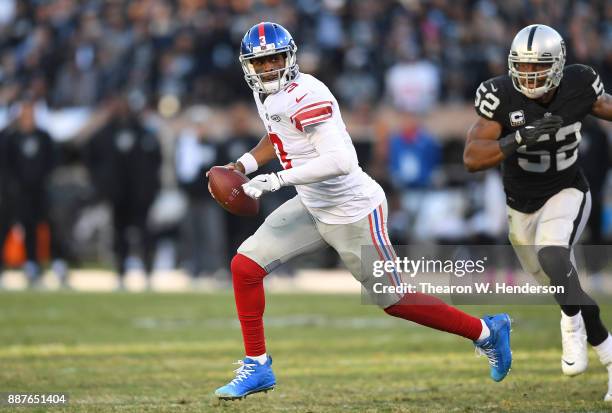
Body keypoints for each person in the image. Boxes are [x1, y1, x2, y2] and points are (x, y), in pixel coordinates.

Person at [209, 22, 512, 401]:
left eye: (274, 60)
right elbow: (278, 134)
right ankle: (257, 365)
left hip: (353, 210)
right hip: (312, 203)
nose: (268, 69)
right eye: (260, 62)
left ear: (290, 58)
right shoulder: (268, 96)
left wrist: (276, 181)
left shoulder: (306, 92)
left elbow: (342, 160)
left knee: (395, 300)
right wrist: (244, 166)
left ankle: (487, 331)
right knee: (244, 267)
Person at [463, 24, 612, 401]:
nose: (530, 75)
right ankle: (607, 353)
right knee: (564, 286)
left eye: (539, 66)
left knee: (554, 255)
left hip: (566, 190)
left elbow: (606, 105)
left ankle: (571, 325)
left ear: (559, 64)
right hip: (520, 207)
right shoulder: (500, 95)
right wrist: (519, 136)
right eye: (523, 67)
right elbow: (472, 157)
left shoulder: (579, 84)